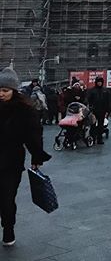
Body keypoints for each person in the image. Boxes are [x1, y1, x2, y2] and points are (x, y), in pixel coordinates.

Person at [0, 67, 51, 247]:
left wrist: (37, 157)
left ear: (13, 90)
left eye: (5, 90)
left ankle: (8, 227)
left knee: (6, 199)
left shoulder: (24, 110)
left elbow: (33, 135)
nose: (1, 94)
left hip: (11, 161)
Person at [87, 77, 110, 144]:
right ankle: (93, 138)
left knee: (101, 126)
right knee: (93, 125)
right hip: (94, 110)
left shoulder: (105, 91)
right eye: (98, 82)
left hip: (102, 110)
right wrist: (91, 108)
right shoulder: (92, 90)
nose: (99, 83)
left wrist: (108, 111)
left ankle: (99, 139)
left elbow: (108, 101)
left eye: (100, 82)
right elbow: (89, 100)